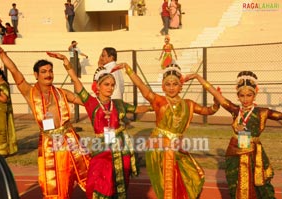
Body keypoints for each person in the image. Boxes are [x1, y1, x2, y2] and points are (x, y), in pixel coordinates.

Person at [0, 44, 91, 199]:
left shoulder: (63, 93)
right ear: (36, 75)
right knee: (56, 184)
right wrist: (2, 54)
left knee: (89, 174)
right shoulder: (30, 93)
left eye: (50, 71)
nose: (48, 74)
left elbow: (88, 102)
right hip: (50, 143)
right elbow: (15, 72)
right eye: (43, 72)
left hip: (70, 139)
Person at [46, 52, 152, 198]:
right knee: (102, 181)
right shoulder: (91, 103)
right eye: (107, 84)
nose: (110, 88)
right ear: (98, 86)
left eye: (113, 85)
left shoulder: (118, 104)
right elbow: (76, 81)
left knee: (121, 181)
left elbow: (138, 109)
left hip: (121, 147)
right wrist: (66, 62)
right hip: (102, 148)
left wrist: (156, 106)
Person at [118, 63, 220, 198]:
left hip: (177, 148)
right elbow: (142, 87)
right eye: (168, 84)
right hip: (160, 148)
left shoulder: (188, 104)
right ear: (162, 86)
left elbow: (208, 111)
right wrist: (128, 69)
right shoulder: (159, 100)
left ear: (180, 86)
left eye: (175, 84)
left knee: (190, 176)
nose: (171, 88)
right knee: (168, 182)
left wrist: (216, 103)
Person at [188, 71, 282, 198]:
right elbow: (215, 93)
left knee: (259, 184)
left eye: (249, 95)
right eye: (242, 95)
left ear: (255, 94)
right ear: (238, 96)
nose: (245, 99)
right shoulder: (235, 110)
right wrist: (198, 77)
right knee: (236, 182)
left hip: (254, 152)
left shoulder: (263, 112)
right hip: (235, 151)